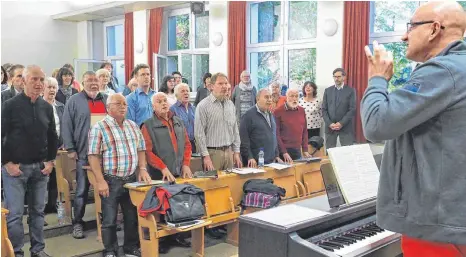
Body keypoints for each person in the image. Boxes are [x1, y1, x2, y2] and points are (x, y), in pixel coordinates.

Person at [361, 2, 466, 256]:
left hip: (437, 226)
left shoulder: (443, 71)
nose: (404, 35)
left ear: (434, 29)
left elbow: (376, 123)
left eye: (411, 27)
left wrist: (377, 78)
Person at [2, 65, 57, 257]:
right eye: (34, 79)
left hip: (40, 170)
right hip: (15, 170)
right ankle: (16, 252)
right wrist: (7, 163)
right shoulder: (9, 105)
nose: (39, 83)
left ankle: (38, 250)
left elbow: (52, 137)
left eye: (41, 79)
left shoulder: (46, 108)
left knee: (38, 213)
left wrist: (50, 162)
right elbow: (1, 136)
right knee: (15, 215)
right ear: (24, 81)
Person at [88, 94, 150, 257]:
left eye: (125, 104)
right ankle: (110, 250)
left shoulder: (133, 126)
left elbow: (141, 149)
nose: (123, 106)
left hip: (130, 179)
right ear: (108, 107)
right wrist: (100, 181)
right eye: (118, 104)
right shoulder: (99, 127)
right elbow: (93, 156)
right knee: (109, 219)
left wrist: (142, 168)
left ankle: (130, 246)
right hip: (110, 180)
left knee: (131, 217)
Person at [141, 92, 193, 253]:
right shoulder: (147, 125)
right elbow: (147, 152)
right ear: (153, 106)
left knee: (175, 205)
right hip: (159, 174)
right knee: (160, 207)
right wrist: (162, 167)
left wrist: (185, 164)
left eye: (165, 100)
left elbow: (187, 145)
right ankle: (162, 240)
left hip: (178, 171)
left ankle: (176, 236)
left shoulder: (178, 121)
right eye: (159, 101)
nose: (163, 103)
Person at [62, 71, 108, 239]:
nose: (93, 83)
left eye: (96, 80)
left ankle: (106, 221)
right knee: (81, 190)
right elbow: (66, 125)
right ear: (82, 82)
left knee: (106, 189)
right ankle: (78, 223)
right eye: (89, 80)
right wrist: (70, 149)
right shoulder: (74, 101)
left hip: (105, 155)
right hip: (83, 152)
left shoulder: (105, 100)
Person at [194, 72, 242, 171]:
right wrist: (206, 156)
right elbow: (199, 134)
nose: (224, 86)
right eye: (220, 84)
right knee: (214, 185)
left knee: (230, 185)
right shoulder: (203, 106)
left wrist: (236, 152)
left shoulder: (230, 105)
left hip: (229, 152)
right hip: (212, 154)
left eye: (226, 83)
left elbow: (235, 130)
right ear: (211, 86)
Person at [240, 88, 282, 167]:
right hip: (255, 162)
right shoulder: (248, 115)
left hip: (271, 161)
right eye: (266, 97)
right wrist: (249, 157)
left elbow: (273, 136)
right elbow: (243, 139)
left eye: (270, 97)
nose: (269, 100)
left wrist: (277, 155)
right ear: (257, 98)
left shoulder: (270, 114)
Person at [42, 77, 65, 213]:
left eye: (54, 87)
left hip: (59, 148)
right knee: (44, 179)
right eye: (49, 87)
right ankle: (41, 208)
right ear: (43, 88)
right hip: (43, 149)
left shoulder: (61, 106)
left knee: (57, 179)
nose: (52, 90)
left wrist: (63, 143)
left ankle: (53, 204)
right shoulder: (38, 106)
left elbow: (65, 126)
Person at [322, 68, 356, 150]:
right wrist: (330, 123)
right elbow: (324, 109)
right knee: (329, 153)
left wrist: (341, 123)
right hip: (330, 128)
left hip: (345, 127)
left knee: (348, 152)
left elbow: (352, 109)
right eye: (334, 77)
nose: (336, 79)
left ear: (344, 77)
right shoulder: (327, 91)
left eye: (339, 76)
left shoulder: (350, 91)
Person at [274, 88, 311, 162]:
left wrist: (305, 149)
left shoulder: (301, 110)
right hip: (283, 151)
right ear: (286, 97)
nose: (294, 98)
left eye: (296, 96)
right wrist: (284, 152)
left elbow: (304, 131)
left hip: (297, 150)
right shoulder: (278, 111)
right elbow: (276, 134)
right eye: (291, 96)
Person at [170, 83, 196, 153]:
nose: (186, 93)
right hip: (180, 145)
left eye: (187, 91)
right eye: (182, 91)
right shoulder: (172, 110)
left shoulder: (193, 109)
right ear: (176, 95)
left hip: (194, 144)